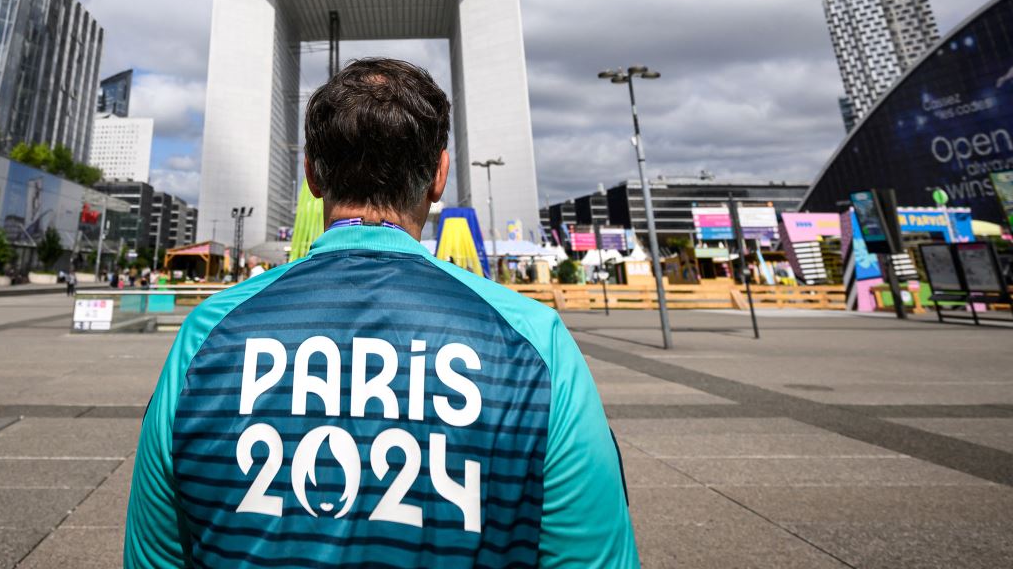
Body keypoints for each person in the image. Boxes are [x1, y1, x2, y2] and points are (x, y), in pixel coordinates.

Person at [125, 57, 638, 567]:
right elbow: (590, 554)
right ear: (440, 175)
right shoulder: (532, 343)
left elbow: (156, 555)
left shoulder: (209, 335)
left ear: (311, 174)